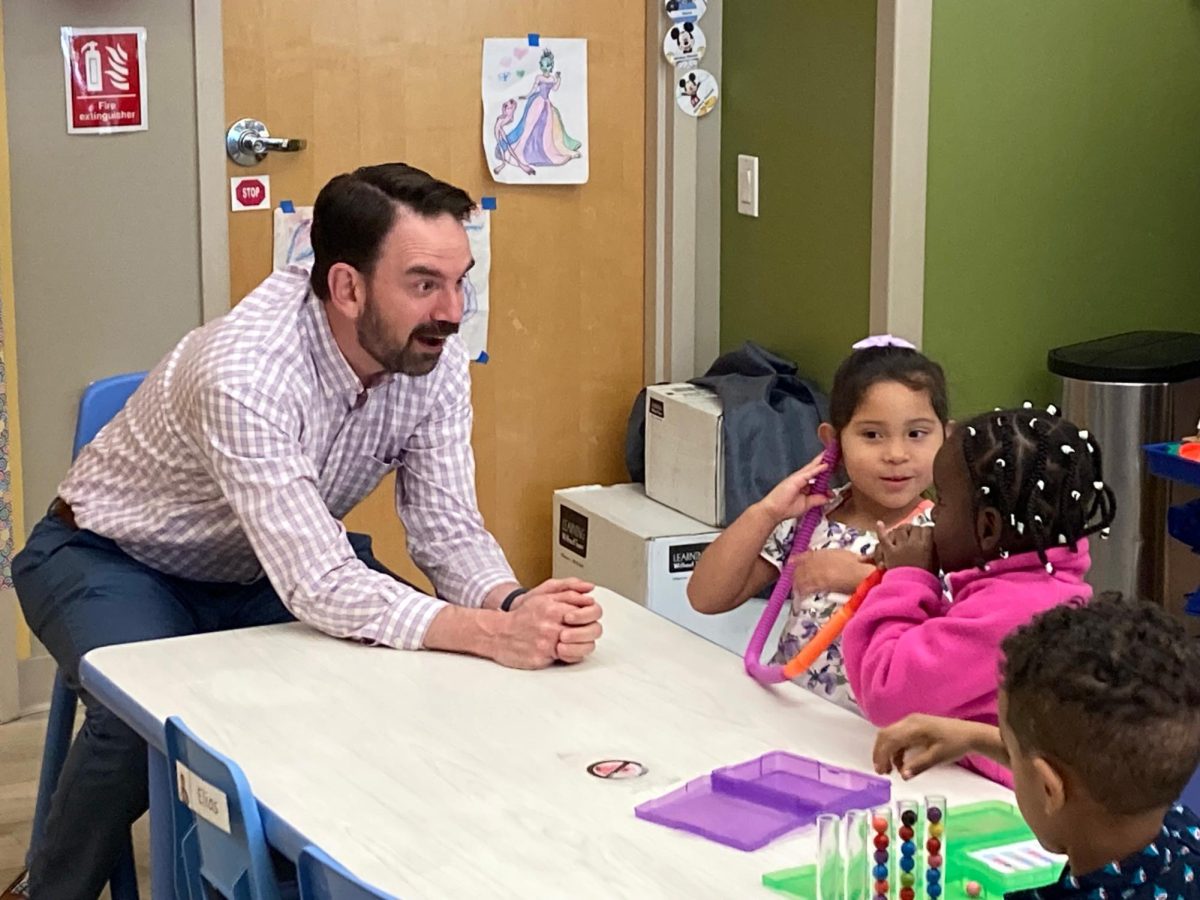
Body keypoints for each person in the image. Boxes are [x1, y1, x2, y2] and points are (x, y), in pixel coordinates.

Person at [11, 163, 603, 899]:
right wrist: (486, 632)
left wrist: (512, 607)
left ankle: (342, 870)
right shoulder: (246, 372)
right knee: (146, 715)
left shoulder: (431, 357)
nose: (452, 311)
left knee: (409, 672)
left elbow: (447, 526)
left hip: (262, 565)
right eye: (424, 284)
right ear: (347, 288)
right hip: (110, 555)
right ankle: (51, 890)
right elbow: (321, 584)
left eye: (461, 281)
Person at [844, 406, 1116, 786]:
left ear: (987, 527)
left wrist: (907, 577)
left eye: (941, 501)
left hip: (1011, 815)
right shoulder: (1042, 586)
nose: (932, 516)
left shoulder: (1008, 613)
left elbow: (884, 694)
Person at [873, 595, 1200, 898]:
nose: (1010, 758)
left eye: (1011, 751)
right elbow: (1076, 769)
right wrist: (974, 737)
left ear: (1048, 789)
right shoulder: (1178, 827)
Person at [688, 337, 948, 711]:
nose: (896, 454)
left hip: (874, 739)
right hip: (793, 717)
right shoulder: (813, 520)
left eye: (916, 434)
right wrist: (765, 512)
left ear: (947, 438)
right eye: (872, 435)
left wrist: (859, 579)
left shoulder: (946, 535)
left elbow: (956, 631)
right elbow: (706, 597)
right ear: (833, 442)